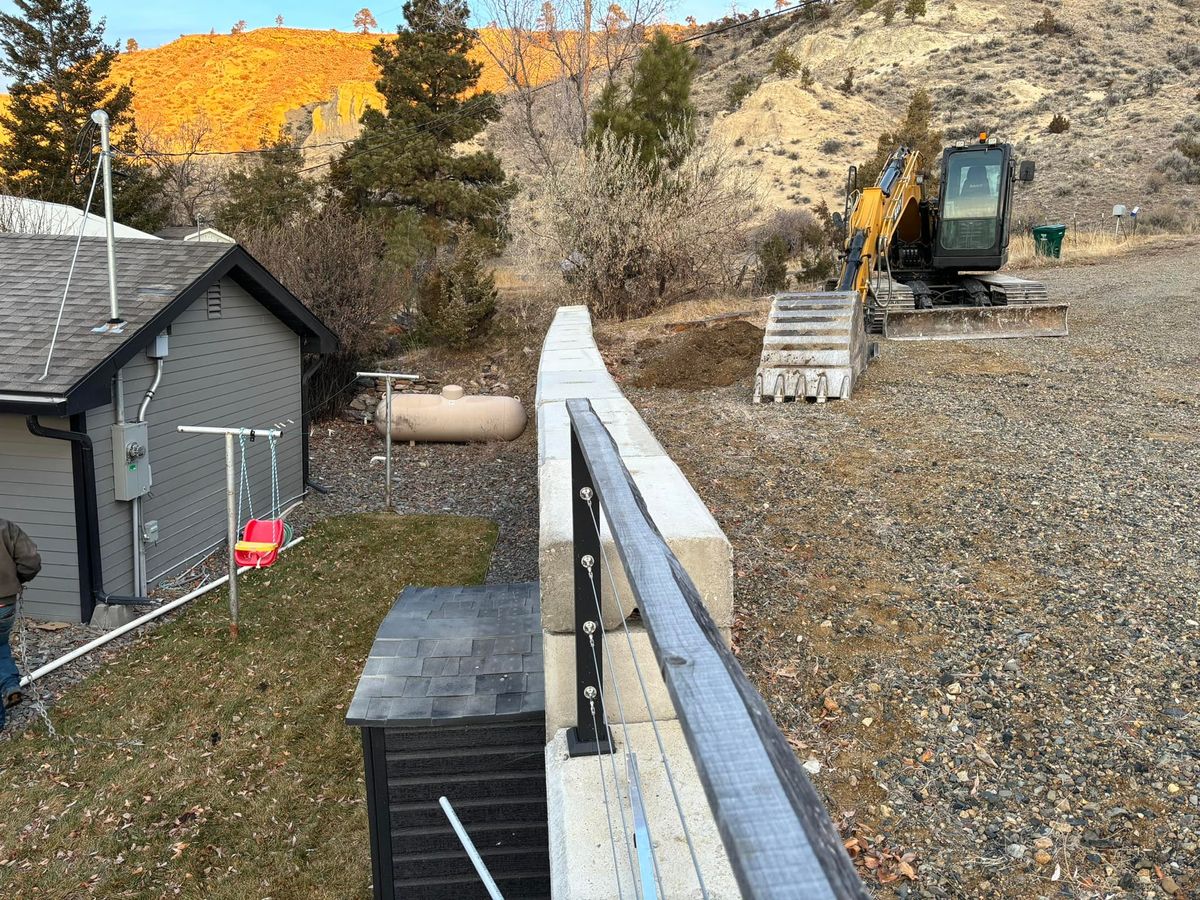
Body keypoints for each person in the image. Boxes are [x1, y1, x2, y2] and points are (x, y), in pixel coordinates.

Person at [1, 517, 41, 729]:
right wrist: (16, 580)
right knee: (0, 645)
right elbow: (30, 561)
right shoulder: (6, 528)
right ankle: (9, 684)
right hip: (4, 604)